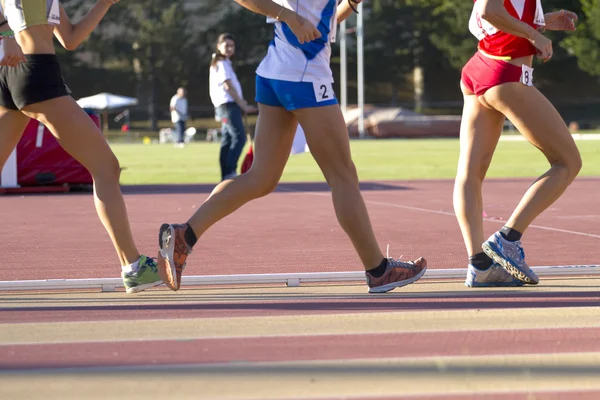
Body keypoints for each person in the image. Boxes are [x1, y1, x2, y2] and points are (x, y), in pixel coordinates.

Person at [156, 0, 427, 293]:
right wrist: (288, 15)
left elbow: (321, 21)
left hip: (277, 72)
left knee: (261, 178)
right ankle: (379, 271)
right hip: (304, 74)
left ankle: (187, 235)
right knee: (343, 178)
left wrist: (348, 4)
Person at [0, 0, 162, 293]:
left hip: (14, 74)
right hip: (35, 73)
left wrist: (104, 4)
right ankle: (134, 267)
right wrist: (7, 38)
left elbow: (71, 38)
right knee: (106, 168)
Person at [455, 0, 581, 287]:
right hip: (506, 76)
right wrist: (534, 34)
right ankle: (508, 238)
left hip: (480, 69)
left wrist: (542, 21)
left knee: (470, 175)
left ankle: (480, 266)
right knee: (568, 162)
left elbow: (500, 16)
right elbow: (489, 10)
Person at [209, 33, 256, 181]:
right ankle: (229, 171)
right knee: (239, 137)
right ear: (218, 46)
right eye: (226, 45)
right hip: (228, 105)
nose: (229, 48)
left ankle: (226, 173)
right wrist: (242, 103)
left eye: (232, 46)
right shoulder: (221, 63)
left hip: (227, 105)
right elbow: (228, 86)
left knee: (228, 139)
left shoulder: (224, 63)